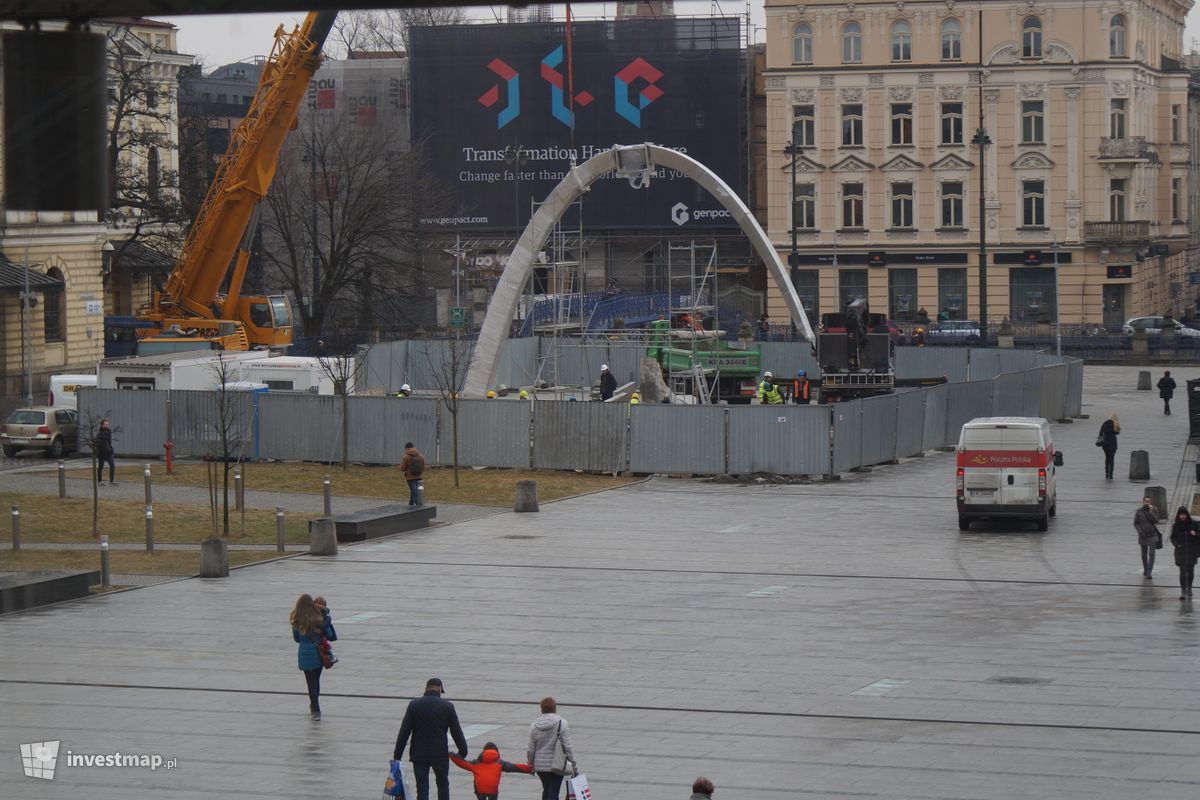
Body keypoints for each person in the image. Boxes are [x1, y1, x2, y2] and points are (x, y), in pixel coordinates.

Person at [394, 678, 469, 800]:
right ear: (439, 689)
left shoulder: (414, 705)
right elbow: (456, 732)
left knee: (422, 788)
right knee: (443, 785)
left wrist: (397, 755)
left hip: (419, 755)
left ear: (426, 688)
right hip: (440, 755)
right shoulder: (447, 707)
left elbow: (404, 732)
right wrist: (462, 752)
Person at [290, 593, 335, 719]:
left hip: (304, 653)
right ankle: (315, 706)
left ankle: (315, 709)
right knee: (316, 681)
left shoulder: (296, 620)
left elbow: (297, 639)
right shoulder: (319, 618)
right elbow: (329, 634)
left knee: (311, 682)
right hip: (318, 653)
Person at [527, 697, 577, 800]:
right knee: (553, 794)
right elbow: (567, 746)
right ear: (554, 708)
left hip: (540, 766)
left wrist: (530, 764)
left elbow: (531, 749)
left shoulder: (534, 725)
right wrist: (574, 764)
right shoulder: (561, 723)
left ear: (541, 709)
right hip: (557, 765)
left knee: (547, 790)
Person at [450, 741, 533, 800]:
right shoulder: (500, 763)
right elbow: (515, 767)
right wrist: (530, 769)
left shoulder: (475, 763)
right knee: (493, 792)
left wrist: (452, 755)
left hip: (480, 790)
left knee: (477, 784)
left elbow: (462, 763)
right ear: (496, 752)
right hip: (493, 790)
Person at [1171, 506, 1200, 600]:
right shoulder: (1176, 525)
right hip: (1181, 552)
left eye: (1184, 514)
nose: (1182, 516)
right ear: (1178, 515)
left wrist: (1195, 533)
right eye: (1180, 514)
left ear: (1187, 515)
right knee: (1183, 571)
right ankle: (1183, 591)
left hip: (1192, 551)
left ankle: (1189, 588)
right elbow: (1172, 537)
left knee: (1190, 571)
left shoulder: (1193, 524)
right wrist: (1176, 544)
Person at [1134, 497, 1161, 579]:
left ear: (1151, 502)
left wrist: (1150, 512)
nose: (1147, 502)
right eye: (1146, 501)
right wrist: (1139, 531)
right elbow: (1135, 523)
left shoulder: (1154, 509)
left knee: (1152, 554)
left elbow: (1156, 520)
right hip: (1143, 535)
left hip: (1153, 535)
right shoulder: (1139, 511)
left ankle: (1149, 571)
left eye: (1149, 501)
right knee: (1144, 554)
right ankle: (1145, 569)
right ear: (1143, 502)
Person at [400, 442, 426, 507]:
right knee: (416, 491)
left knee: (414, 491)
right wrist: (420, 473)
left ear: (407, 448)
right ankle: (412, 504)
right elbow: (423, 467)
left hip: (410, 477)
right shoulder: (421, 456)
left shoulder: (406, 457)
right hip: (419, 477)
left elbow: (402, 468)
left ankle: (415, 505)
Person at [1098, 413, 1120, 480]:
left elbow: (1100, 433)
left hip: (1105, 443)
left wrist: (1101, 440)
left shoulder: (1105, 423)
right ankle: (1111, 474)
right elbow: (1117, 433)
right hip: (1113, 443)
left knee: (1107, 458)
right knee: (1111, 459)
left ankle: (1106, 473)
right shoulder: (1116, 424)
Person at [95, 418, 115, 485]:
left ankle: (111, 481)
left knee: (112, 466)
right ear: (102, 425)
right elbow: (99, 444)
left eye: (108, 424)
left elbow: (109, 442)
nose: (107, 425)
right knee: (100, 467)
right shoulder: (100, 434)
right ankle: (100, 481)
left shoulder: (109, 432)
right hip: (102, 453)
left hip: (108, 453)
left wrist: (111, 450)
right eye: (105, 424)